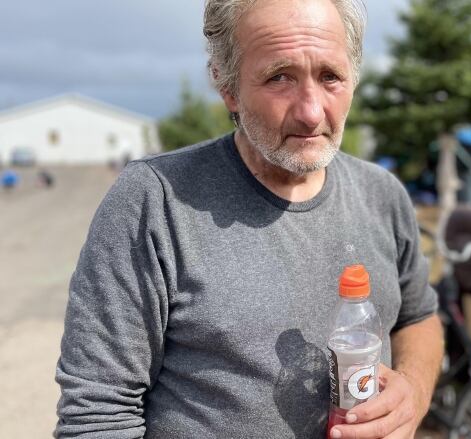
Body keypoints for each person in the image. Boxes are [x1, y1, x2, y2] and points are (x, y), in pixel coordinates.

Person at [54, 1, 444, 438]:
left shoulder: (383, 194)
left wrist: (414, 389)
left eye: (330, 76)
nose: (312, 112)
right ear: (227, 85)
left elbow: (419, 317)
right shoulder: (154, 202)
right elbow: (97, 415)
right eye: (280, 77)